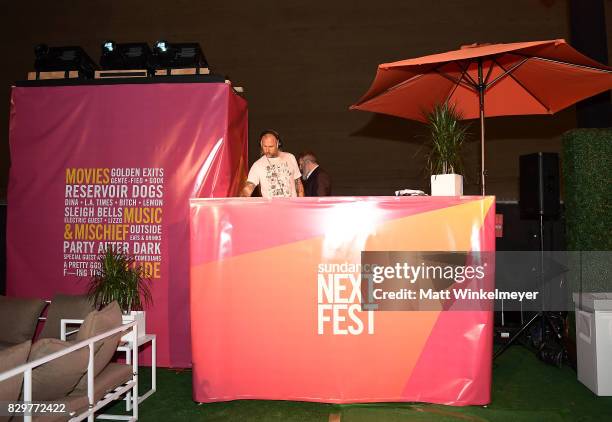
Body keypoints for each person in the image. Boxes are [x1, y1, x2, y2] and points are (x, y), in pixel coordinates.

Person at [240, 130, 304, 198]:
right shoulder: (257, 165)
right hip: (271, 208)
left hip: (292, 206)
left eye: (271, 147)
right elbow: (248, 189)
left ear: (277, 144)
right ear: (261, 144)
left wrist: (302, 204)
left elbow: (299, 185)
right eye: (265, 146)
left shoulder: (290, 157)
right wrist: (241, 201)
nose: (267, 150)